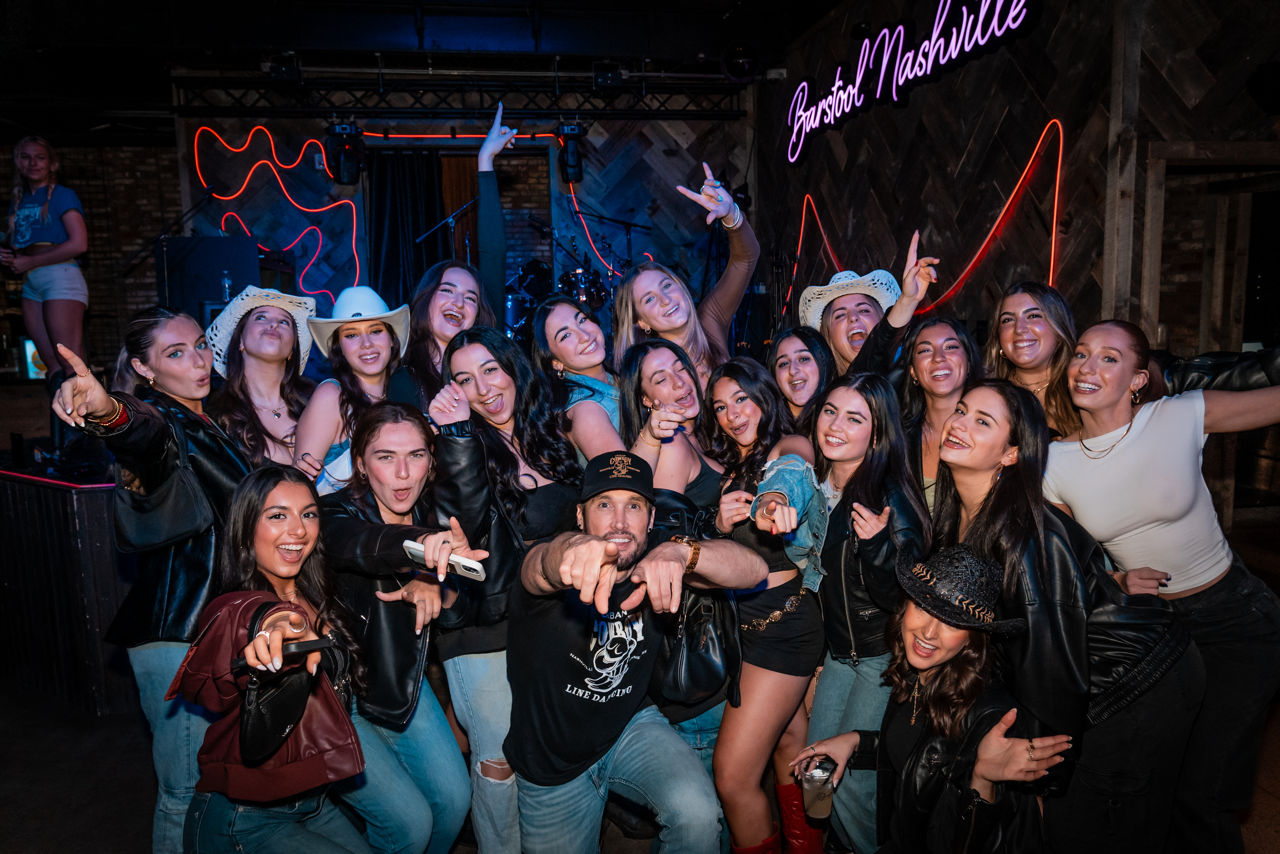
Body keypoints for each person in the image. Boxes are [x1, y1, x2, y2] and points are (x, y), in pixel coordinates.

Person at [934, 379, 1204, 852]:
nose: (959, 424)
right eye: (960, 411)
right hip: (1085, 677)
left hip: (1137, 679)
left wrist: (1041, 779)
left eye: (982, 421)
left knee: (1095, 827)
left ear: (1012, 454)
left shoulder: (1027, 535)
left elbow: (1052, 664)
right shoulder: (959, 511)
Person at [1044, 320, 1280, 853]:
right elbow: (1063, 566)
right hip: (1154, 636)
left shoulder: (1177, 415)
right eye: (1082, 354)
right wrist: (1116, 578)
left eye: (1109, 358)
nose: (1088, 366)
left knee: (1207, 791)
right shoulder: (1055, 464)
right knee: (1155, 785)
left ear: (1137, 378)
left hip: (1235, 621)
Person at [50, 308, 252, 853]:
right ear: (145, 369)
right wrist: (103, 410)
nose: (199, 360)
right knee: (183, 792)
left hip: (220, 627)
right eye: (176, 353)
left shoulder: (210, 422)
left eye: (200, 345)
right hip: (179, 636)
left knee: (223, 789)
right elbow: (138, 431)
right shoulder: (164, 420)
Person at [510, 451, 769, 853]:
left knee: (699, 816)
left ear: (650, 518)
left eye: (633, 506)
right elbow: (539, 567)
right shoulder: (559, 562)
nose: (618, 521)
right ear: (580, 516)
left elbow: (755, 570)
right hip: (552, 763)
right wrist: (571, 551)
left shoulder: (658, 556)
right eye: (603, 505)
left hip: (628, 727)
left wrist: (685, 553)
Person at [793, 545, 1069, 854]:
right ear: (904, 607)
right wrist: (857, 741)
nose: (929, 632)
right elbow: (916, 755)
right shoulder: (917, 675)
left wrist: (982, 782)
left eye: (952, 622)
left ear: (972, 638)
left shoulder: (990, 718)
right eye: (923, 607)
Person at [436, 326, 583, 854]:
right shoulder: (460, 444)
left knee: (541, 752)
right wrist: (454, 437)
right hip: (484, 623)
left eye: (491, 369)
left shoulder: (553, 434)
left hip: (552, 622)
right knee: (498, 762)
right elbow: (466, 524)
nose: (483, 388)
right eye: (464, 379)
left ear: (513, 367)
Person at [320, 402, 487, 854]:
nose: (402, 474)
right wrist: (420, 551)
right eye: (384, 457)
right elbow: (357, 546)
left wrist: (436, 583)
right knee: (408, 825)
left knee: (454, 802)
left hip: (398, 686)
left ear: (432, 460)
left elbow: (455, 613)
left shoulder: (438, 517)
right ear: (359, 463)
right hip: (335, 694)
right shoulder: (333, 514)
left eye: (416, 455)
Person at [177, 465, 370, 853]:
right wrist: (279, 623)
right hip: (245, 819)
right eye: (278, 515)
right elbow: (252, 618)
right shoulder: (233, 603)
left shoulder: (316, 592)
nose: (298, 530)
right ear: (247, 528)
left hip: (315, 803)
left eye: (309, 514)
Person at [699, 357, 826, 854]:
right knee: (792, 750)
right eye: (721, 407)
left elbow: (791, 473)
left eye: (743, 399)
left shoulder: (786, 444)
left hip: (782, 628)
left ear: (765, 396)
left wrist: (772, 502)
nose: (733, 414)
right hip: (749, 627)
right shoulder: (729, 464)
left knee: (731, 777)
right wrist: (720, 524)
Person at [806, 373, 931, 854]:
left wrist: (878, 546)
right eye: (830, 411)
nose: (835, 425)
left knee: (855, 784)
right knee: (816, 772)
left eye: (854, 418)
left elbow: (901, 599)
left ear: (877, 434)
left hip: (881, 660)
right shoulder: (822, 487)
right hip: (840, 657)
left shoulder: (888, 498)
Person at [612, 162, 760, 386]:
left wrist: (731, 215)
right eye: (649, 299)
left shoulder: (710, 322)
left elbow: (745, 259)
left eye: (667, 286)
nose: (665, 299)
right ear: (641, 322)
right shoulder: (648, 373)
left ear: (681, 286)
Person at [296, 286, 409, 494]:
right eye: (352, 335)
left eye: (375, 331)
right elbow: (298, 489)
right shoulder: (332, 397)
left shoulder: (404, 395)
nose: (366, 344)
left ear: (391, 339)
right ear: (340, 347)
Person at [2, 135, 88, 379]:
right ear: (18, 162)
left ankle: (89, 416)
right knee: (53, 368)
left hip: (61, 275)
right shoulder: (19, 201)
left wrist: (30, 261)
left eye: (40, 158)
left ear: (52, 164)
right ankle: (61, 416)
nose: (33, 163)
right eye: (25, 157)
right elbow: (21, 245)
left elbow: (79, 243)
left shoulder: (63, 195)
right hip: (31, 282)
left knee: (71, 363)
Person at [796, 231, 937, 376]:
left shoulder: (910, 377)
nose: (853, 317)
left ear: (882, 319)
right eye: (839, 315)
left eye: (864, 310)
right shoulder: (820, 391)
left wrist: (908, 300)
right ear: (828, 334)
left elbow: (881, 343)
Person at [205, 286, 316, 465]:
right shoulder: (219, 416)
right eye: (261, 317)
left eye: (284, 322)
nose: (273, 324)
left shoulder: (316, 399)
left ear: (291, 350)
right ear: (240, 341)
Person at [895, 315, 984, 510]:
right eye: (925, 350)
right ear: (913, 372)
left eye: (951, 347)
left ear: (968, 362)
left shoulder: (992, 435)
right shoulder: (897, 439)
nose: (938, 358)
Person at [389, 259, 497, 409]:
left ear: (478, 315)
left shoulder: (493, 374)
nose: (459, 303)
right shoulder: (404, 380)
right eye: (447, 290)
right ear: (426, 298)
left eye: (470, 298)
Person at [532, 294, 624, 460]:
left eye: (581, 320)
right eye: (565, 335)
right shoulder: (587, 411)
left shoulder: (615, 379)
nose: (584, 336)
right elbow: (625, 481)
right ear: (555, 362)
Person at [982, 281, 1079, 437]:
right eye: (1007, 320)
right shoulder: (984, 394)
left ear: (1059, 328)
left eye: (1033, 316)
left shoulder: (1083, 390)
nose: (1019, 329)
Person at [765, 326, 836, 434]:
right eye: (783, 363)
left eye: (803, 359)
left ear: (823, 363)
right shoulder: (764, 427)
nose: (793, 370)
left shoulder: (837, 424)